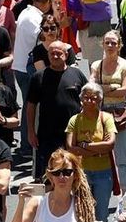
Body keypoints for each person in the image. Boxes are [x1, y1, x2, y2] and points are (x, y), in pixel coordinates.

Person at [26, 40, 86, 186]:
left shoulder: (77, 74)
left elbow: (87, 98)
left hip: (74, 134)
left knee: (75, 173)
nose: (55, 56)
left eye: (58, 53)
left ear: (66, 55)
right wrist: (31, 132)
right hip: (48, 135)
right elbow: (31, 106)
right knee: (50, 175)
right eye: (52, 53)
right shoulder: (38, 77)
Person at [65, 82, 118, 218]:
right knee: (83, 212)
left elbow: (110, 144)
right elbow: (70, 148)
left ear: (100, 100)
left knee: (101, 213)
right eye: (86, 97)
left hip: (104, 172)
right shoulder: (75, 120)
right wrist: (99, 149)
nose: (89, 101)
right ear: (81, 99)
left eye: (94, 98)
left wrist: (83, 145)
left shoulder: (106, 118)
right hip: (82, 172)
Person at [90, 31, 126, 192]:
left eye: (113, 43)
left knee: (122, 158)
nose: (110, 46)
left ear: (119, 46)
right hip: (100, 115)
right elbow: (91, 88)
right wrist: (113, 87)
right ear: (102, 44)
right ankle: (102, 190)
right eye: (107, 42)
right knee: (100, 156)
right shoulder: (96, 65)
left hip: (119, 115)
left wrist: (102, 89)